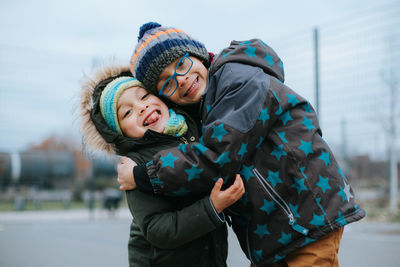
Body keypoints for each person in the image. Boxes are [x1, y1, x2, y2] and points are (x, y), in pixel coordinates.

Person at [118, 22, 366, 266]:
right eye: (167, 83)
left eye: (181, 64)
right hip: (277, 233)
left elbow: (217, 155)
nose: (180, 80)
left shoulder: (238, 80)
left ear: (199, 54)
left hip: (306, 217)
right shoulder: (207, 108)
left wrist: (143, 175)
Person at [79, 63, 245, 267]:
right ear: (120, 133)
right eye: (127, 113)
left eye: (144, 96)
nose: (141, 107)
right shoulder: (136, 164)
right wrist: (212, 207)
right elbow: (156, 229)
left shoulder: (193, 128)